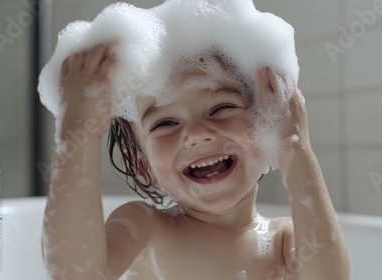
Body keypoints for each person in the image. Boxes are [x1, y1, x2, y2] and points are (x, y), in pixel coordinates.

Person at [41, 42, 350, 279]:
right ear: (141, 166)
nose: (198, 134)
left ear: (264, 128)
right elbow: (76, 273)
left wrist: (295, 147)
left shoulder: (284, 239)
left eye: (222, 107)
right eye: (165, 124)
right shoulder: (148, 227)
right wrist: (77, 130)